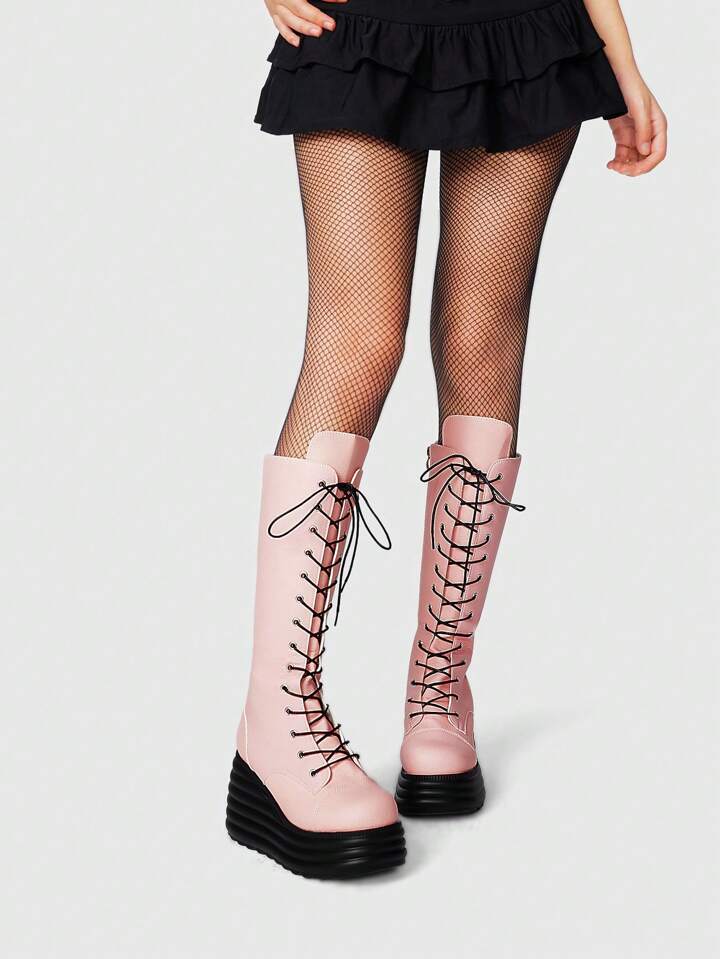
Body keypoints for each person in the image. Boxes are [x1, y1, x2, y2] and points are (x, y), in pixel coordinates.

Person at [225, 0, 667, 878]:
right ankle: (274, 723)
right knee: (357, 341)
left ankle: (438, 688)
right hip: (359, 22)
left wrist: (620, 51)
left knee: (481, 339)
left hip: (523, 25)